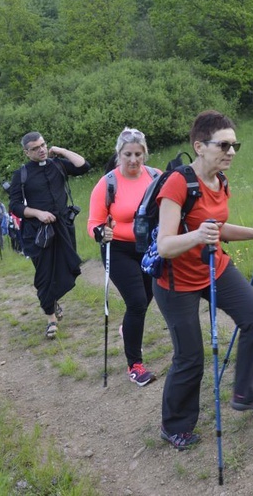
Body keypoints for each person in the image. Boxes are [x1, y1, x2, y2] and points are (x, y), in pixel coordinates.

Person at [153, 110, 253, 450]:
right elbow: (165, 245)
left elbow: (217, 227)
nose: (232, 151)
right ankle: (174, 425)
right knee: (190, 356)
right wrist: (197, 236)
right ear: (200, 145)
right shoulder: (178, 183)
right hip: (175, 280)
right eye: (224, 145)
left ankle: (246, 393)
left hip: (214, 267)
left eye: (235, 144)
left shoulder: (220, 180)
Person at [87, 127, 161, 386]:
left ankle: (128, 329)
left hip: (150, 248)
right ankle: (135, 366)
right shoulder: (108, 182)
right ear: (119, 154)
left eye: (138, 154)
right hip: (117, 248)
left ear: (145, 154)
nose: (133, 160)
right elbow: (94, 222)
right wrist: (100, 232)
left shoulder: (155, 176)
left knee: (148, 296)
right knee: (138, 302)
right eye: (128, 154)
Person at [9, 131, 91, 339]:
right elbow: (16, 206)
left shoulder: (58, 164)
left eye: (43, 145)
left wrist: (61, 151)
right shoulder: (22, 174)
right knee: (44, 275)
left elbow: (83, 166)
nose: (41, 150)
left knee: (65, 268)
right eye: (35, 148)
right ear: (27, 153)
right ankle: (51, 319)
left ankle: (53, 301)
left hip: (62, 228)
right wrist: (38, 213)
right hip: (38, 233)